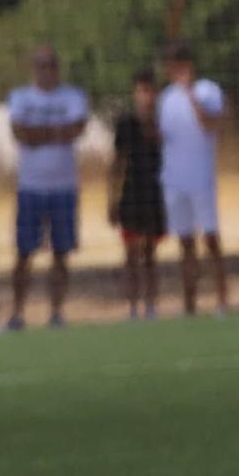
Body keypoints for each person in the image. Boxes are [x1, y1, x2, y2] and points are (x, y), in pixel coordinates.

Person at [4, 44, 89, 331]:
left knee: (61, 252)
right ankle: (17, 313)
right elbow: (20, 133)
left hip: (64, 187)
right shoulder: (20, 97)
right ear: (33, 67)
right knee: (24, 252)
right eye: (41, 64)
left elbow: (76, 130)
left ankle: (56, 312)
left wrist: (40, 133)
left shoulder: (73, 96)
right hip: (31, 187)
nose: (47, 70)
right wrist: (55, 132)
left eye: (51, 64)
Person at [157, 40, 229, 317]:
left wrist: (190, 94)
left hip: (201, 178)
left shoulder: (208, 91)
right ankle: (190, 304)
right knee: (185, 242)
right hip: (175, 180)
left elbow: (211, 123)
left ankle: (222, 301)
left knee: (210, 238)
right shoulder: (166, 99)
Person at [108, 69, 166, 320]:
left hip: (155, 191)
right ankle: (132, 306)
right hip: (132, 192)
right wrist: (111, 198)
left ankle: (151, 305)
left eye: (150, 90)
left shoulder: (163, 122)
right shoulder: (126, 123)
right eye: (141, 90)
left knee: (151, 253)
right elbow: (117, 162)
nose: (146, 96)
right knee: (131, 252)